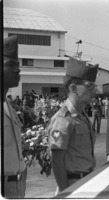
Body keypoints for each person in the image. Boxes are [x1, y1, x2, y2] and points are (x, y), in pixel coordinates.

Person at [47, 57, 98, 193]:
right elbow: (56, 161)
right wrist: (65, 194)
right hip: (72, 186)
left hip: (86, 182)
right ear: (73, 88)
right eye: (90, 86)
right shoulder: (62, 119)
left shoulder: (82, 117)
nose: (95, 91)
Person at [3, 35, 27, 198]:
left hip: (17, 185)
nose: (18, 69)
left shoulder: (7, 106)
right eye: (11, 64)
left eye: (18, 65)